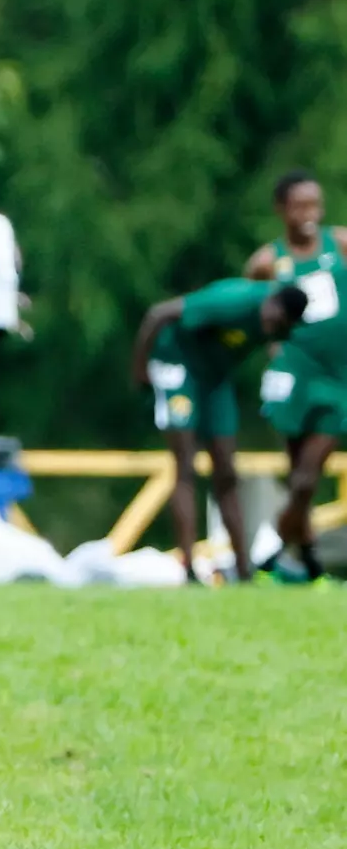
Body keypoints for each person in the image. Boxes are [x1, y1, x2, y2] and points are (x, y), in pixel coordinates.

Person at [133, 279, 310, 581]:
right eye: (273, 320)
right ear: (271, 303)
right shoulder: (234, 301)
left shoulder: (276, 328)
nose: (272, 327)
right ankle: (187, 567)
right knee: (185, 464)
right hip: (178, 365)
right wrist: (140, 369)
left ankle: (243, 572)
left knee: (227, 471)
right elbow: (158, 314)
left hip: (215, 379)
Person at [244, 171, 347, 585]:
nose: (310, 214)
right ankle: (307, 565)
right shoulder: (268, 262)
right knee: (298, 475)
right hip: (293, 374)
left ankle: (267, 553)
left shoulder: (338, 244)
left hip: (336, 376)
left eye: (315, 205)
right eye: (300, 206)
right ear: (282, 210)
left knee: (308, 476)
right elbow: (255, 314)